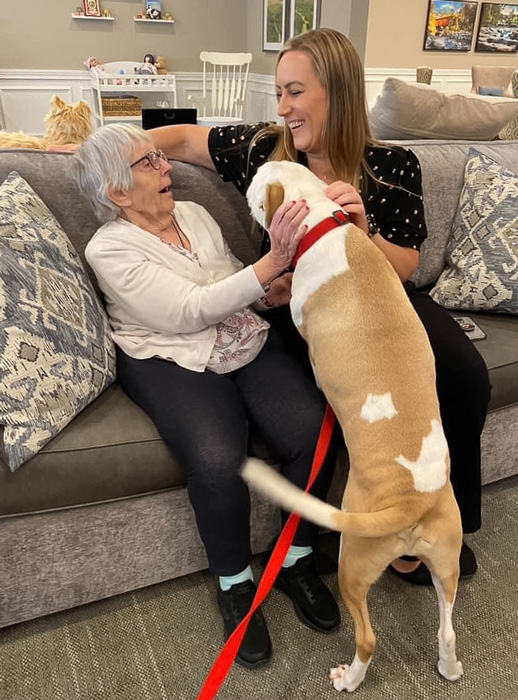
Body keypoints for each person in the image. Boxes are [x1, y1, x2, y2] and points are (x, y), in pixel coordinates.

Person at [150, 28, 491, 586]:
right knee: (328, 403)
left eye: (294, 93)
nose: (282, 108)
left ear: (336, 93)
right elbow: (187, 140)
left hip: (383, 300)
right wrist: (108, 142)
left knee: (464, 373)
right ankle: (344, 535)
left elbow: (404, 264)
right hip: (301, 307)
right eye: (279, 94)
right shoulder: (265, 151)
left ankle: (440, 517)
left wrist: (362, 232)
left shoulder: (391, 164)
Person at [73, 123, 341, 669]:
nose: (166, 167)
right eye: (148, 163)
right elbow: (186, 311)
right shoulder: (109, 248)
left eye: (159, 157)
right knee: (218, 460)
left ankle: (294, 559)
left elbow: (227, 283)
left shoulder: (193, 214)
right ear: (116, 192)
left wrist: (270, 292)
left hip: (238, 334)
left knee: (313, 433)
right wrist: (274, 259)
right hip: (169, 355)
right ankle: (236, 585)